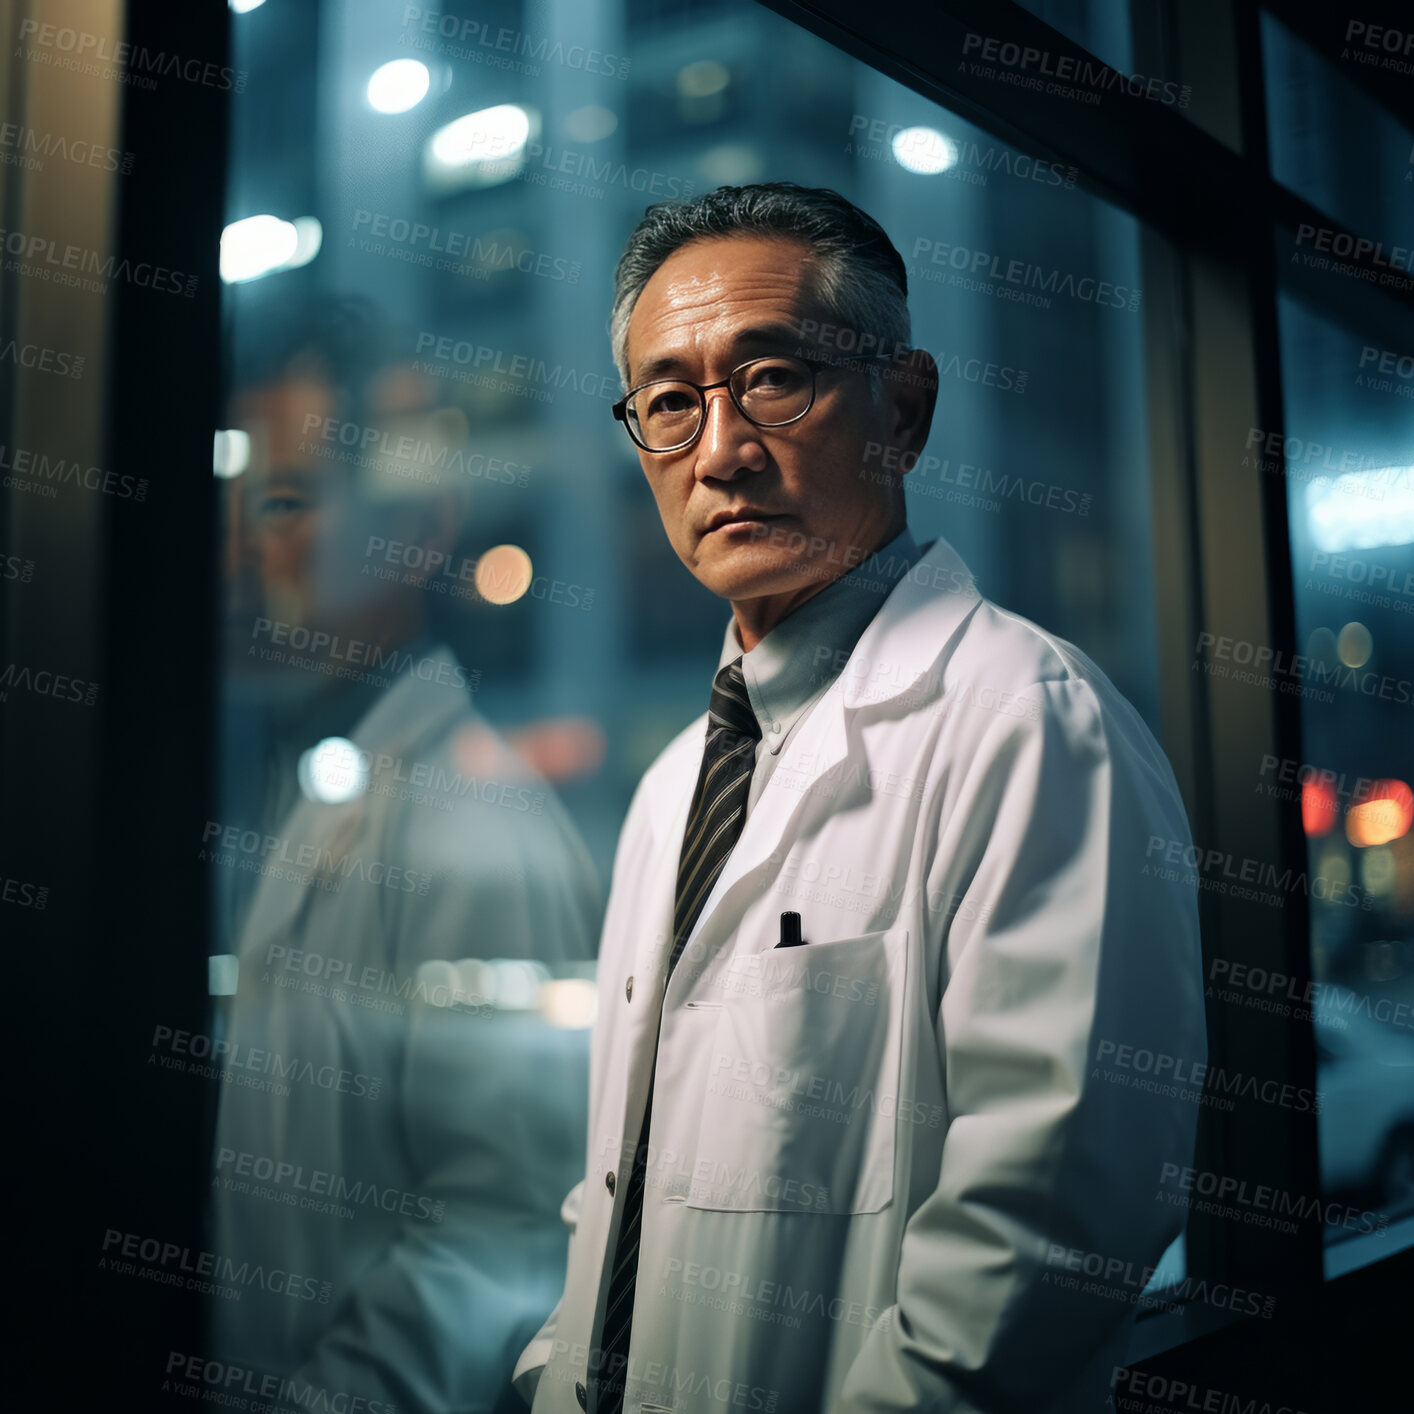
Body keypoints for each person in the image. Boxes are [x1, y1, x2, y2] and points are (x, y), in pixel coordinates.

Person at [513, 184, 1206, 1413]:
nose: (719, 448)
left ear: (904, 407)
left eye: (773, 378)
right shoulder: (675, 787)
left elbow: (1047, 1241)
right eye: (669, 402)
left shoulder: (1029, 723)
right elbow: (620, 1180)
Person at [208, 298, 602, 1413]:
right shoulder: (324, 784)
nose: (240, 547)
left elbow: (509, 1237)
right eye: (234, 502)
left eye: (284, 503)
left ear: (419, 525)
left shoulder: (470, 827)